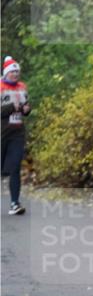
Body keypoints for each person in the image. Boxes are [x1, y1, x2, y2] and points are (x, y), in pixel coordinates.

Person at [1, 56, 31, 216]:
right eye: (12, 72)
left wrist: (26, 110)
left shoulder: (22, 87)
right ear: (6, 73)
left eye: (17, 72)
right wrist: (13, 107)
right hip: (1, 134)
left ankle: (15, 203)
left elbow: (25, 106)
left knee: (15, 168)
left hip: (17, 133)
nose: (15, 74)